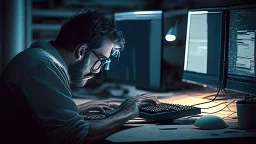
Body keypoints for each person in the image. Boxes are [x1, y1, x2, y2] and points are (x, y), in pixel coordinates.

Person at [0, 9, 159, 144]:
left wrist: (73, 110)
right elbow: (77, 135)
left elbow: (33, 120)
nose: (97, 71)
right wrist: (127, 111)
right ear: (81, 51)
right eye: (101, 60)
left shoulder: (38, 58)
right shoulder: (44, 66)